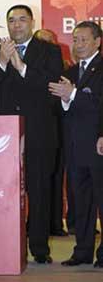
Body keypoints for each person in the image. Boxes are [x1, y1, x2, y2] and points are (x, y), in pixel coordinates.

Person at [0, 5, 63, 263]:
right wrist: (1, 62)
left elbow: (51, 87)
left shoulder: (50, 51)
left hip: (40, 133)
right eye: (11, 20)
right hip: (3, 137)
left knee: (39, 191)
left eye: (22, 20)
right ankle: (8, 245)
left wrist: (21, 66)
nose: (17, 25)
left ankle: (40, 249)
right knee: (5, 191)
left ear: (32, 22)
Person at [49, 21, 103, 268]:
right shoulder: (69, 72)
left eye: (83, 39)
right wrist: (65, 100)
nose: (78, 45)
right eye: (75, 39)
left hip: (98, 145)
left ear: (97, 42)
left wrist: (73, 95)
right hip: (74, 147)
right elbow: (61, 109)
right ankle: (82, 251)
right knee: (80, 202)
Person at [34, 29, 68, 237]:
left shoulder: (63, 68)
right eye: (42, 41)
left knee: (55, 179)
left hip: (60, 129)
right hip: (39, 129)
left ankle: (56, 223)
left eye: (50, 41)